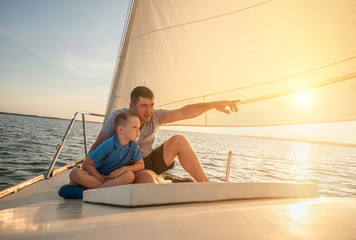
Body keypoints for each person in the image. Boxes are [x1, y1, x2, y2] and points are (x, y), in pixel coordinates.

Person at [89, 86, 239, 183]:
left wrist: (211, 105)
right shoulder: (118, 118)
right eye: (144, 106)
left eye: (152, 105)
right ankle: (167, 181)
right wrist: (87, 168)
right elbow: (98, 146)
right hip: (123, 167)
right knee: (147, 181)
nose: (149, 111)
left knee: (178, 140)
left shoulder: (156, 116)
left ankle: (207, 185)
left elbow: (183, 112)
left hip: (146, 161)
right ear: (132, 106)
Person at [69, 112, 145, 189]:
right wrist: (103, 179)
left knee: (130, 175)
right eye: (134, 127)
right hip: (97, 175)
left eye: (139, 127)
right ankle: (104, 188)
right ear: (120, 129)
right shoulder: (109, 144)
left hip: (112, 177)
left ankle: (91, 190)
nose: (138, 131)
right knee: (75, 173)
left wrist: (124, 169)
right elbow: (86, 164)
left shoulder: (134, 145)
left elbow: (141, 165)